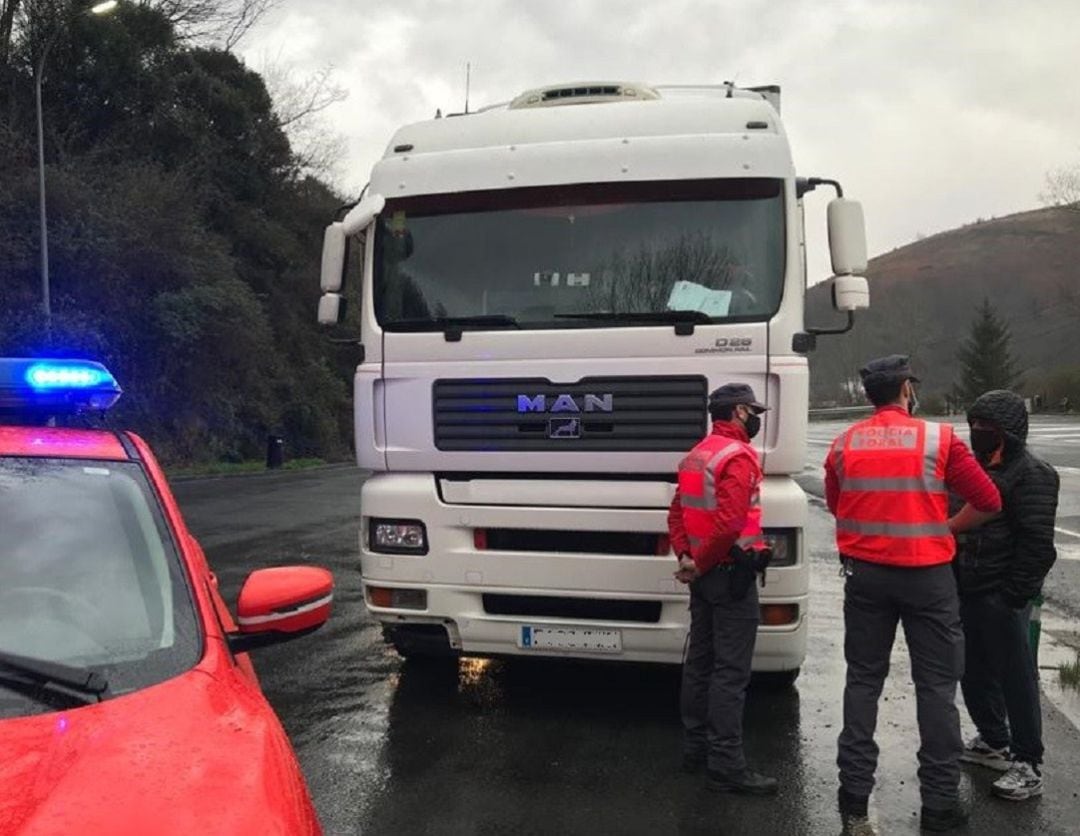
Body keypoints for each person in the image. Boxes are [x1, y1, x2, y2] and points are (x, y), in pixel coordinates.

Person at [825, 355, 1002, 833]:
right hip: (928, 577)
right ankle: (940, 805)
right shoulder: (939, 439)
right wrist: (946, 526)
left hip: (865, 577)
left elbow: (839, 506)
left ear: (869, 395)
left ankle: (855, 801)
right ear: (906, 389)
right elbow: (988, 501)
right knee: (937, 689)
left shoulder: (843, 444)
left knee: (863, 682)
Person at [667, 382, 777, 796]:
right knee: (730, 672)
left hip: (704, 576)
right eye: (753, 411)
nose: (757, 419)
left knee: (699, 664)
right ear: (738, 413)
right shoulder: (738, 456)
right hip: (731, 576)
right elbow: (731, 523)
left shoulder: (698, 454)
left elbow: (677, 512)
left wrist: (687, 558)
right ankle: (727, 765)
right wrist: (703, 563)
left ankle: (695, 751)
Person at [953, 390, 1059, 801]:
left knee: (1017, 678)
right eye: (974, 425)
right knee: (973, 669)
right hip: (968, 589)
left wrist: (1014, 595)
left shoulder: (1033, 473)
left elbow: (1037, 545)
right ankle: (993, 740)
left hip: (1003, 594)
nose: (978, 432)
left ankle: (1028, 761)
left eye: (987, 427)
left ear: (1007, 431)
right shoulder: (975, 468)